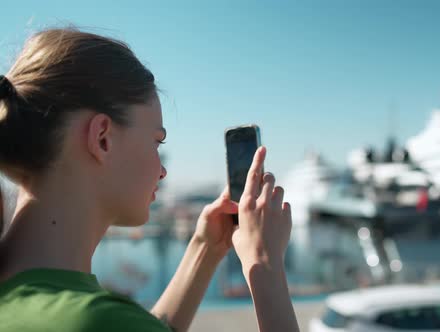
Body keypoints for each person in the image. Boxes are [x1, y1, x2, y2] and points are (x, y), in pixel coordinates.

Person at [0, 28, 299, 332]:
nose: (162, 171)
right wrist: (265, 263)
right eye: (158, 143)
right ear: (102, 139)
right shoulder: (98, 321)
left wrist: (206, 249)